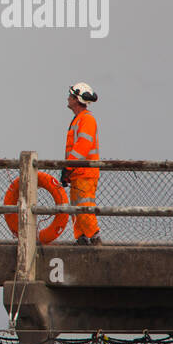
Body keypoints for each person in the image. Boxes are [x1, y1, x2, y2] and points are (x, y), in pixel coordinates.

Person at [63, 82, 101, 244]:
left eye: (70, 96)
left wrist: (68, 167)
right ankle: (81, 237)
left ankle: (94, 236)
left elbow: (82, 147)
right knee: (76, 207)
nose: (68, 98)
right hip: (78, 173)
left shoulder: (86, 120)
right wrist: (69, 171)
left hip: (85, 173)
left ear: (76, 99)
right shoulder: (78, 120)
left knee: (84, 206)